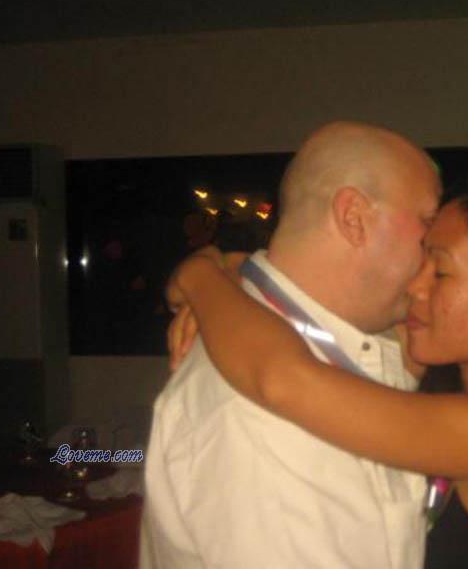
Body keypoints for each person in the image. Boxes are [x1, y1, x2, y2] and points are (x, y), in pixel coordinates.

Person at [167, 172, 468, 567]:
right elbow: (303, 306)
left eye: (441, 272)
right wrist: (231, 274)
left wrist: (198, 278)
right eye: (421, 258)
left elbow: (281, 380)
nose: (415, 285)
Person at [139, 121, 442, 568]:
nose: (434, 251)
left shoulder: (359, 342)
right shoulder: (258, 420)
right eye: (428, 223)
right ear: (353, 217)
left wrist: (209, 275)